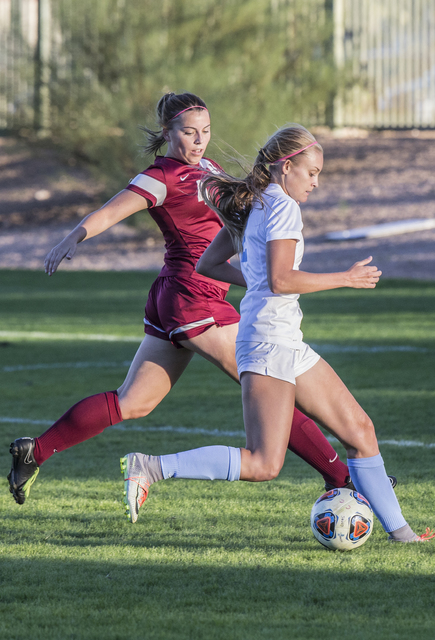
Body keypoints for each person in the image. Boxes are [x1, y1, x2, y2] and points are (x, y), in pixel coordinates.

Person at [8, 92, 384, 512]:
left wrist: (259, 274)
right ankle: (341, 478)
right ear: (168, 132)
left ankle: (35, 451)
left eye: (205, 132)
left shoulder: (207, 168)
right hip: (194, 297)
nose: (199, 140)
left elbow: (243, 214)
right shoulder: (160, 176)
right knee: (269, 381)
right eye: (189, 133)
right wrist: (73, 237)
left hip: (179, 296)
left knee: (134, 401)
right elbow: (112, 211)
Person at [120, 123, 433, 543]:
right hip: (267, 342)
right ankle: (153, 467)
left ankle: (404, 536)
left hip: (284, 340)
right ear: (286, 168)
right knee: (263, 464)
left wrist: (258, 278)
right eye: (312, 172)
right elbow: (283, 280)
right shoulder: (281, 207)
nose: (316, 183)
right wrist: (346, 278)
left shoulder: (254, 205)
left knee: (360, 429)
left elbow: (209, 266)